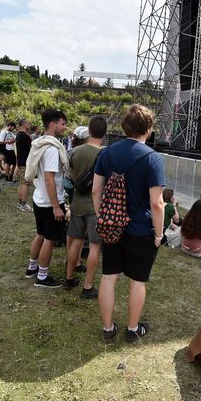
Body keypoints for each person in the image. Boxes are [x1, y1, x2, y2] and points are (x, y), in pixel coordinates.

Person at [92, 104, 165, 344]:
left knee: (109, 277)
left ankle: (107, 328)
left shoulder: (106, 153)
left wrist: (104, 217)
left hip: (111, 226)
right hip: (141, 230)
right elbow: (157, 203)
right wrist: (158, 234)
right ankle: (132, 329)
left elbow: (96, 191)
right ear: (148, 128)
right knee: (137, 280)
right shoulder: (153, 158)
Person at [24, 109, 69, 288]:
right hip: (50, 202)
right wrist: (56, 206)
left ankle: (32, 267)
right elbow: (50, 178)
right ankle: (42, 277)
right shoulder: (51, 149)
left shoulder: (39, 143)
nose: (64, 128)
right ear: (53, 124)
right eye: (62, 124)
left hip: (38, 198)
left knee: (40, 234)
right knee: (49, 239)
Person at [65, 117, 107, 298]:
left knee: (75, 240)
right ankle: (88, 286)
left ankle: (69, 278)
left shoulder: (75, 151)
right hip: (95, 206)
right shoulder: (105, 154)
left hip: (77, 203)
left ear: (89, 130)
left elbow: (72, 177)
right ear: (104, 133)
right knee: (95, 246)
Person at [15, 118, 33, 212]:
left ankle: (20, 203)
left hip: (21, 161)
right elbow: (32, 148)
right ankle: (23, 204)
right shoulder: (24, 136)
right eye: (28, 123)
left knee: (22, 183)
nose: (29, 125)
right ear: (23, 124)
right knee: (26, 183)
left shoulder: (19, 135)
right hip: (25, 162)